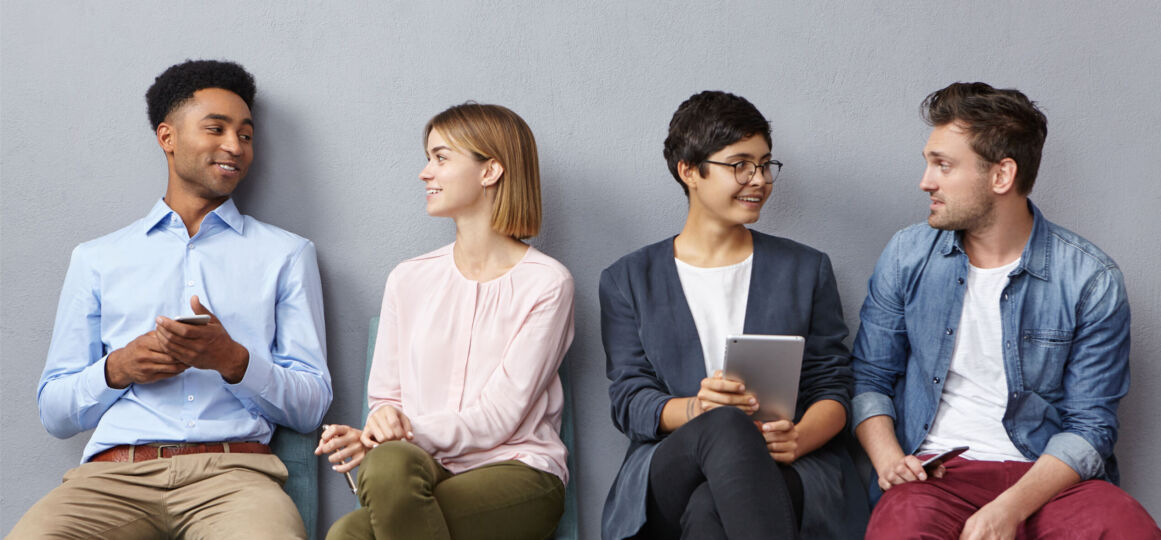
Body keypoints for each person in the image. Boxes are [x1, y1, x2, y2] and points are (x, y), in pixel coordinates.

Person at [9, 60, 331, 539]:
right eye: (216, 129)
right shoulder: (97, 259)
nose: (235, 147)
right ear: (168, 137)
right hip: (112, 479)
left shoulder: (287, 255)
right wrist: (119, 368)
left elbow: (312, 405)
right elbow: (55, 412)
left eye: (245, 134)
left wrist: (234, 361)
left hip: (234, 478)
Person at [852, 81, 1161, 539]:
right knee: (900, 527)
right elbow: (870, 376)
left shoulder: (1089, 278)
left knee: (1127, 529)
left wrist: (1007, 509)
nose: (926, 182)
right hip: (936, 476)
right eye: (929, 163)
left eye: (943, 165)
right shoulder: (907, 254)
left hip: (1049, 477)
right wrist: (889, 461)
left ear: (1001, 176)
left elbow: (1091, 426)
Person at [600, 90, 868, 540]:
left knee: (710, 512)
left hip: (787, 464)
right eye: (740, 164)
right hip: (672, 467)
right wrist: (697, 408)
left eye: (765, 164)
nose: (758, 179)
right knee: (723, 423)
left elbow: (833, 385)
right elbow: (629, 398)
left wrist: (800, 437)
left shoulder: (805, 269)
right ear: (690, 171)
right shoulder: (628, 278)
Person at [316, 103, 574, 540]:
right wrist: (382, 429)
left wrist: (397, 432)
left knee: (348, 534)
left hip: (517, 473)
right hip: (423, 469)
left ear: (490, 171)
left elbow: (499, 416)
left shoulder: (547, 284)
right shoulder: (408, 278)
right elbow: (385, 398)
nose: (424, 172)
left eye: (440, 157)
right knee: (387, 463)